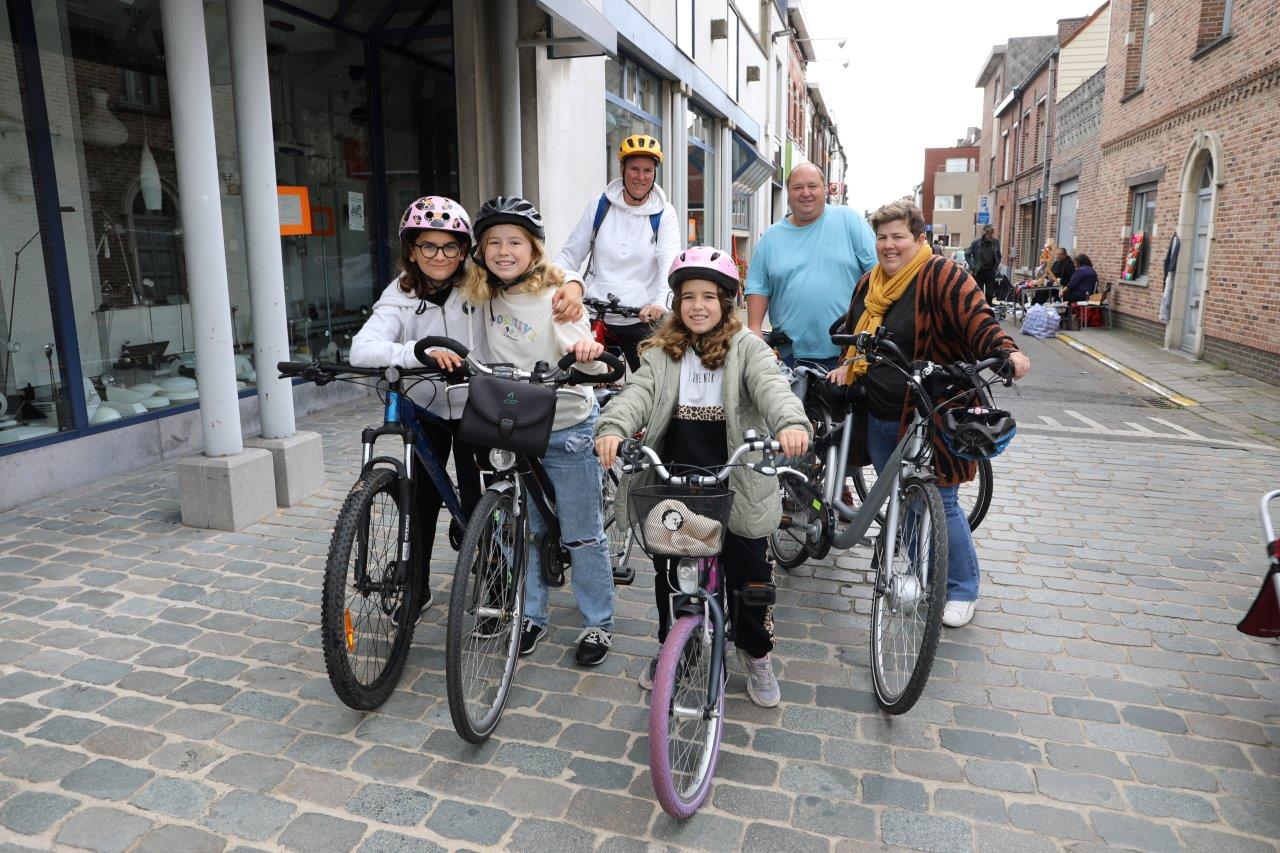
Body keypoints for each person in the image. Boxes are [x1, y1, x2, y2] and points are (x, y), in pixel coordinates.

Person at [349, 196, 586, 619]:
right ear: (411, 250)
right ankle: (416, 588)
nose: (439, 256)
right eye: (428, 246)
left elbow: (535, 267)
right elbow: (362, 350)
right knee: (420, 501)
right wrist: (416, 352)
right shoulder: (401, 291)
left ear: (464, 251)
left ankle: (496, 587)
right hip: (428, 407)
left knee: (484, 502)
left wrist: (573, 285)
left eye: (451, 247)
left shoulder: (479, 279)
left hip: (482, 406)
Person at [595, 246, 811, 706]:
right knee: (671, 573)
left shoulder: (747, 347)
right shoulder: (661, 351)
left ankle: (756, 654)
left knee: (751, 576)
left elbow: (772, 388)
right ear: (676, 302)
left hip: (739, 478)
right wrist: (613, 426)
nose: (698, 306)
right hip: (676, 476)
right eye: (688, 296)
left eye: (709, 297)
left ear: (726, 302)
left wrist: (790, 423)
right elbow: (638, 392)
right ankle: (675, 647)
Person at [827, 200, 1031, 628]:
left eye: (898, 236)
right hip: (880, 414)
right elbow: (854, 332)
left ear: (919, 238)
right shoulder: (870, 283)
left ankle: (961, 588)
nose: (889, 245)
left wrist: (1006, 351)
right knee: (901, 500)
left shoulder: (940, 275)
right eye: (882, 237)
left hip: (931, 411)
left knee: (941, 501)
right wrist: (847, 362)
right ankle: (921, 574)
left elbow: (978, 319)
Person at [459, 196, 616, 667]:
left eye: (515, 242)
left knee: (582, 534)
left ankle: (598, 621)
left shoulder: (557, 297)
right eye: (493, 243)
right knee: (520, 528)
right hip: (514, 424)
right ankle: (530, 615)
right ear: (480, 251)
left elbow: (583, 347)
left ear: (534, 250)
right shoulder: (483, 294)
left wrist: (587, 353)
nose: (503, 251)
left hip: (566, 426)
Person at [554, 134, 682, 371]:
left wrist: (660, 303)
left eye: (648, 170)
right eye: (634, 169)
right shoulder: (599, 206)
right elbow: (570, 255)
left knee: (652, 382)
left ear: (655, 174)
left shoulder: (664, 213)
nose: (641, 177)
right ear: (622, 169)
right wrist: (549, 282)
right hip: (594, 313)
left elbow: (670, 263)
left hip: (641, 316)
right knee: (577, 377)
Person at [745, 163, 877, 369]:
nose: (805, 193)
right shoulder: (771, 237)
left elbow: (877, 273)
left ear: (825, 190)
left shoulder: (847, 219)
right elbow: (758, 286)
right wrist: (754, 328)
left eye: (812, 186)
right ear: (788, 193)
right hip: (789, 356)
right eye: (798, 187)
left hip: (847, 354)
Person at [967, 225, 1003, 304]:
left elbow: (999, 256)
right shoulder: (976, 243)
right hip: (979, 271)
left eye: (992, 233)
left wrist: (995, 268)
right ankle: (980, 308)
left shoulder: (995, 242)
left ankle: (988, 307)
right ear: (985, 233)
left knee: (990, 293)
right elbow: (967, 255)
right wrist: (972, 266)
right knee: (979, 292)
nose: (991, 235)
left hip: (990, 271)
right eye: (990, 233)